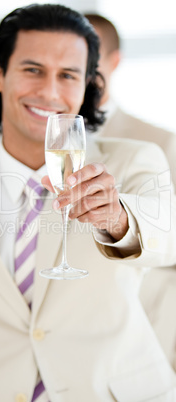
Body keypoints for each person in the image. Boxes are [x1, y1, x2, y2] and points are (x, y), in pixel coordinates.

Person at [0, 4, 176, 401]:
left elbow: (166, 239)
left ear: (87, 86)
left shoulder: (135, 159)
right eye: (33, 70)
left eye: (68, 75)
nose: (50, 92)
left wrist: (120, 220)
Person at [85, 13, 176, 371]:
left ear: (114, 61)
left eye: (89, 59)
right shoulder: (37, 144)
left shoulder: (161, 142)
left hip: (145, 337)